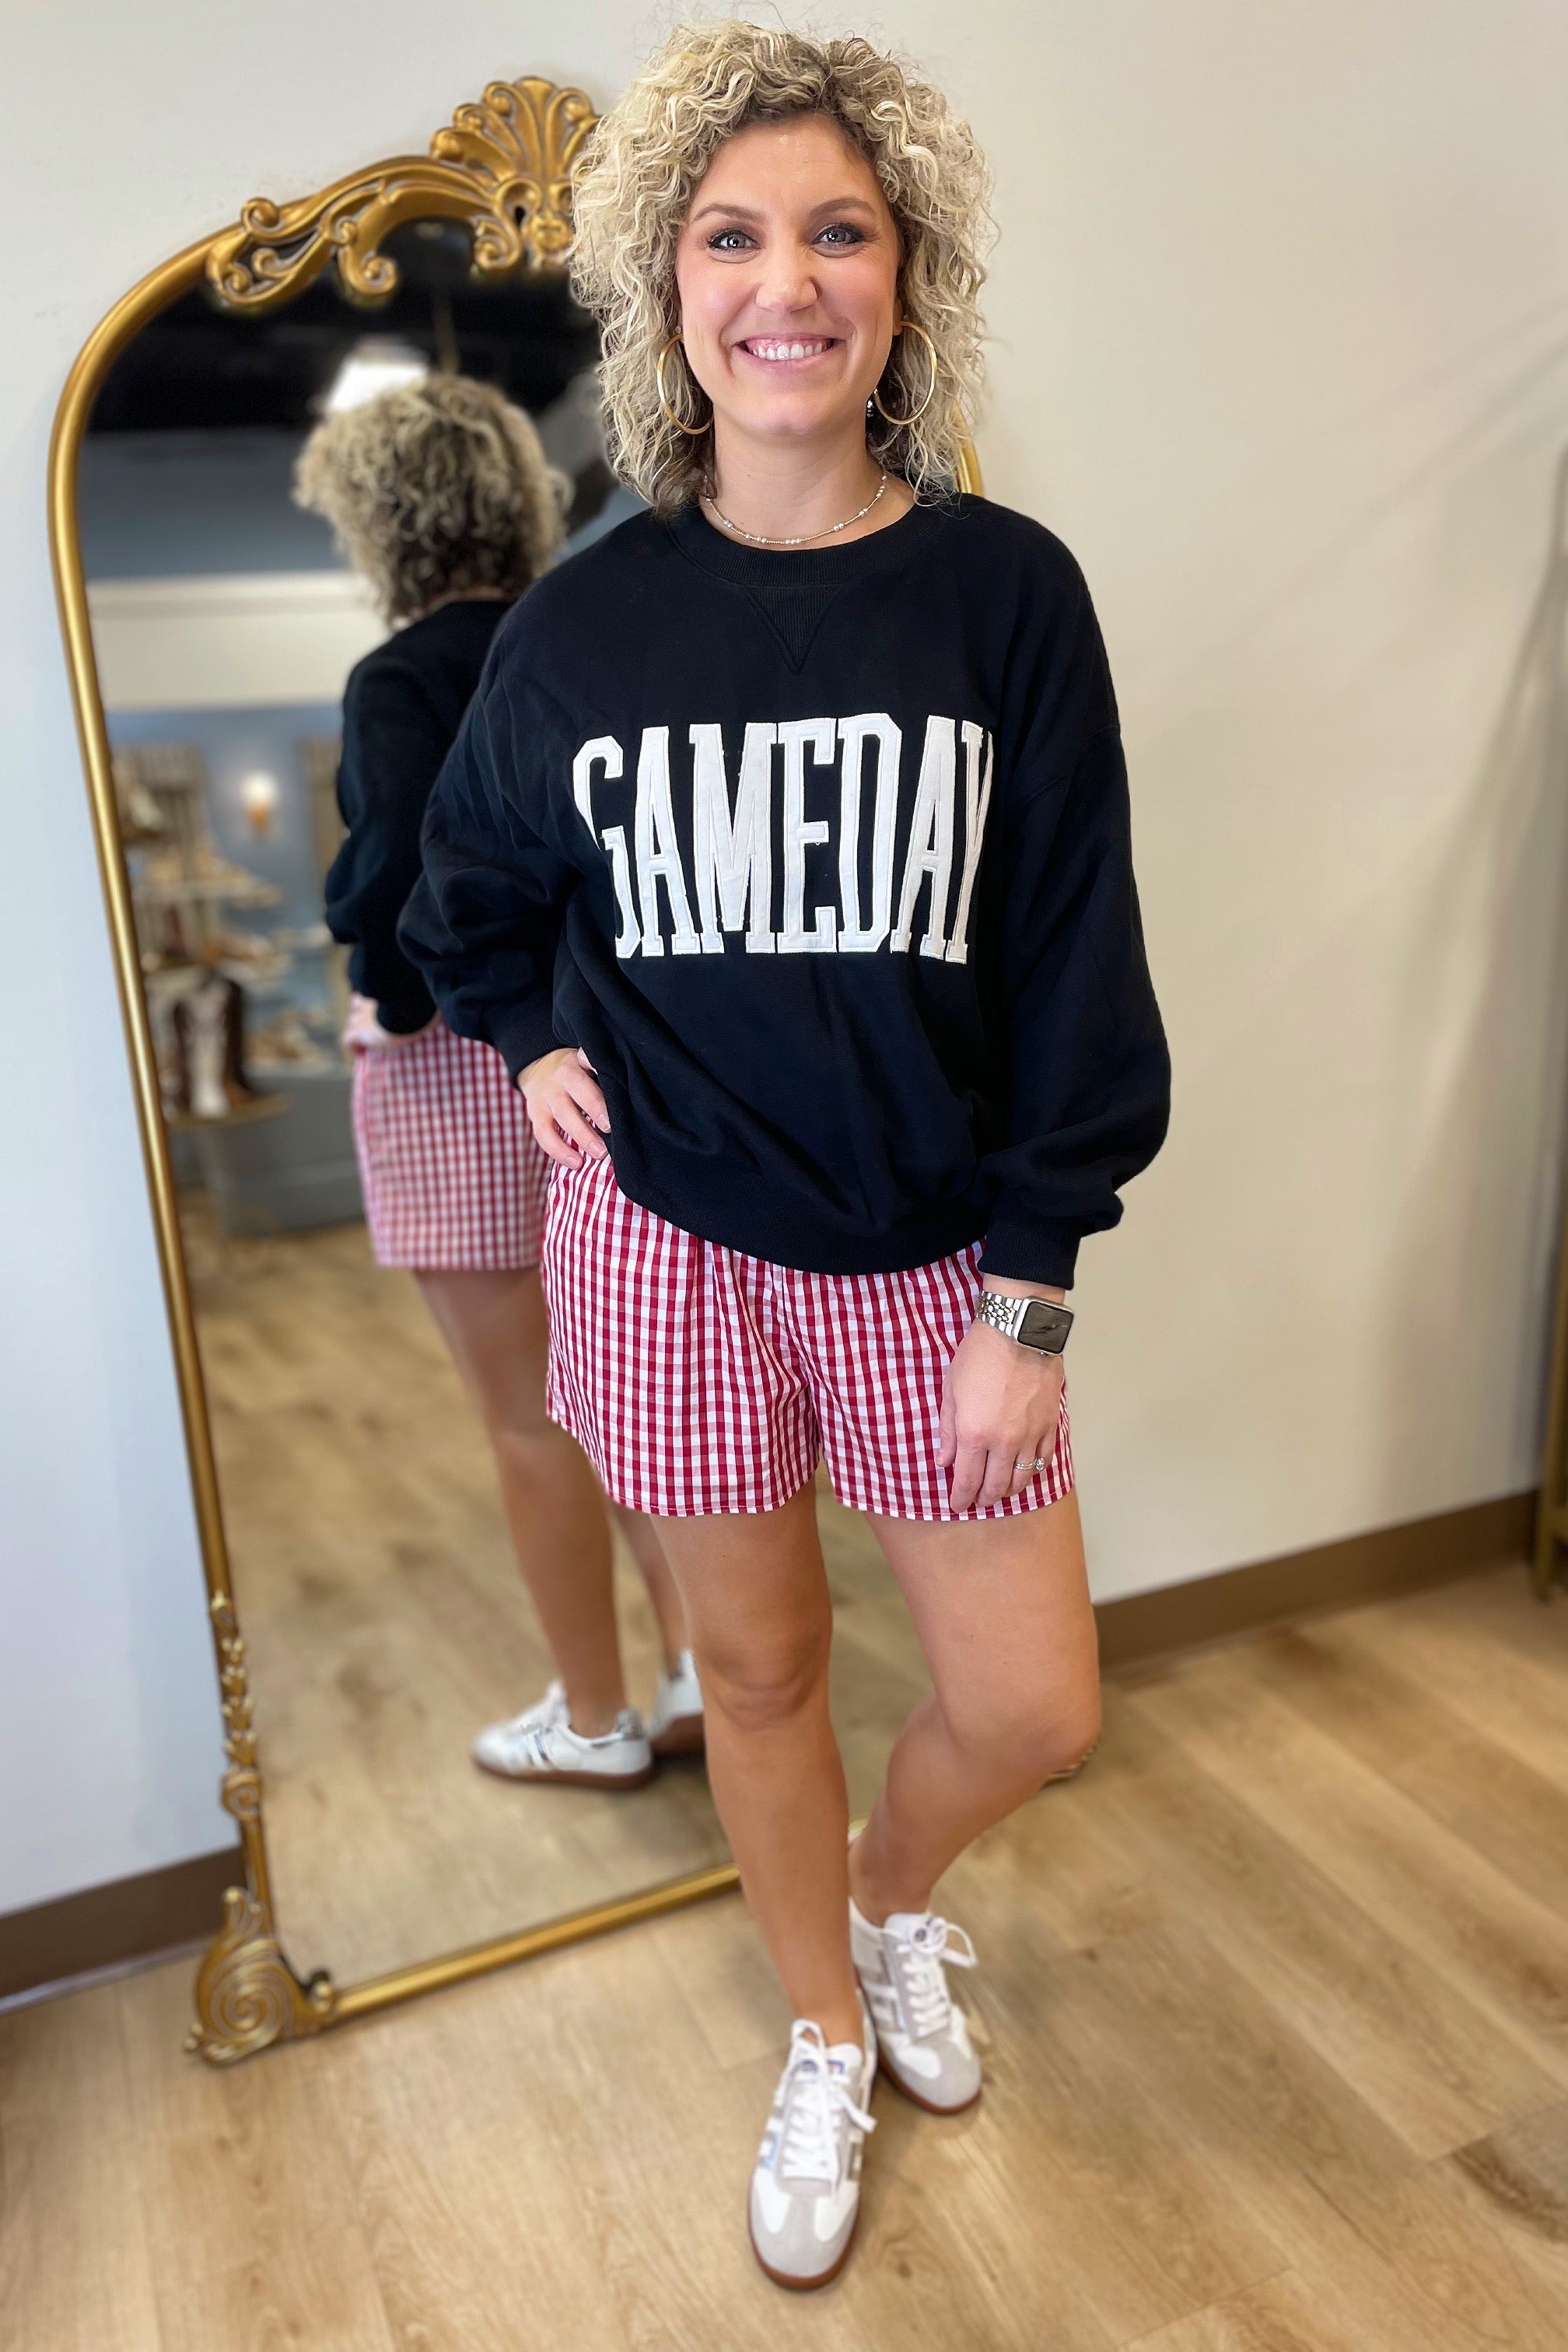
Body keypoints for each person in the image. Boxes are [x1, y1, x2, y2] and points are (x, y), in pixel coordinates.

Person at [402, 25, 1169, 2290]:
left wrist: (1036, 1278)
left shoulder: (1004, 595)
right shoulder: (582, 624)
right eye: (732, 239)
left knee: (1031, 1705)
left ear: (904, 279)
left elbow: (1075, 957)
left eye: (838, 232)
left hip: (936, 1255)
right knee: (751, 1680)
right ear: (671, 291)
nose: (787, 283)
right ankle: (823, 2028)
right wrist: (531, 1040)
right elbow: (466, 891)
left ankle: (886, 1896)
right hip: (661, 1251)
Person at [294, 373, 702, 1790]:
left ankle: (593, 1718)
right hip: (595, 1058)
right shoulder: (580, 639)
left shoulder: (399, 679)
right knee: (636, 1400)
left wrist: (357, 935)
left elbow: (398, 892)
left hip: (452, 1069)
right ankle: (699, 1671)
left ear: (378, 522)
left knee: (531, 1421)